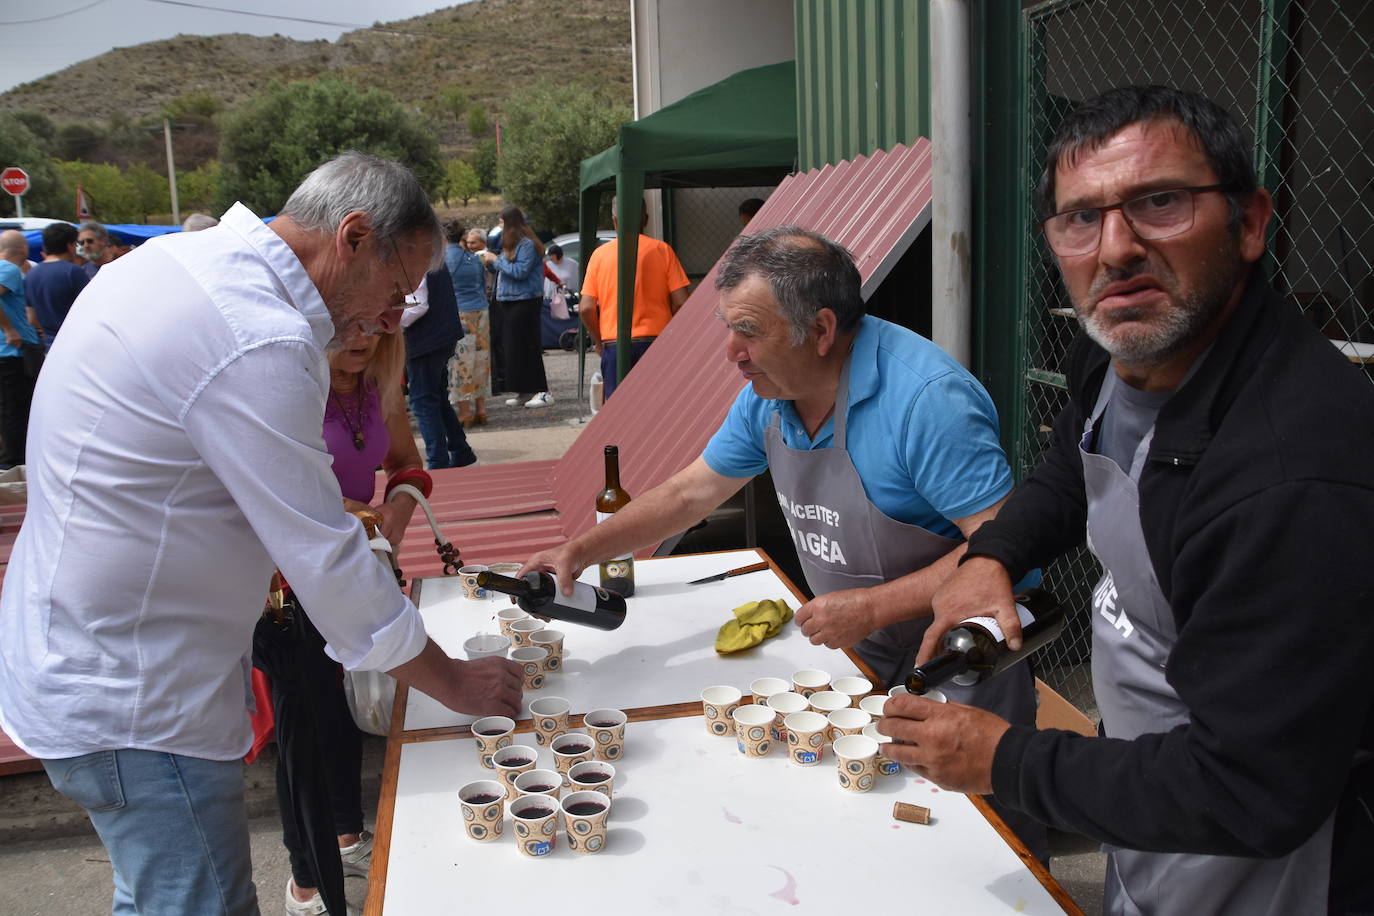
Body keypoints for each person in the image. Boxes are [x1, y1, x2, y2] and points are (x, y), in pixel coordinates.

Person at [885, 86, 1374, 914]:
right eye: (1081, 218)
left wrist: (1006, 762)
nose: (1115, 248)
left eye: (1160, 203)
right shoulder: (1120, 349)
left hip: (1275, 861)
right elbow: (1071, 465)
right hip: (1148, 797)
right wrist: (991, 556)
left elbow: (1253, 788)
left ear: (1251, 223)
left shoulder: (1294, 477)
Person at [0, 151, 523, 915]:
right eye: (394, 289)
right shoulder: (259, 336)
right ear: (350, 236)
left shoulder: (178, 264)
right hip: (136, 697)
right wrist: (459, 683)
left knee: (152, 897)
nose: (390, 318)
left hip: (82, 664)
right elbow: (326, 561)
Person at [525, 226, 1045, 856]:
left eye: (749, 330)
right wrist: (581, 549)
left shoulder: (927, 402)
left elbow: (1003, 543)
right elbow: (694, 492)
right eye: (728, 327)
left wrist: (875, 606)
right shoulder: (769, 398)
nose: (731, 353)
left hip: (962, 660)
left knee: (981, 850)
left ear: (821, 331)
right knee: (873, 842)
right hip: (859, 657)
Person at [257, 321, 421, 915]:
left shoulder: (380, 385)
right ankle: (306, 887)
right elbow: (266, 486)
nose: (362, 341)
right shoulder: (286, 386)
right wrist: (345, 511)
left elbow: (408, 464)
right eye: (346, 328)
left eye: (378, 329)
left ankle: (346, 839)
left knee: (347, 711)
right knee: (306, 731)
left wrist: (396, 510)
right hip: (283, 587)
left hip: (348, 575)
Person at [578, 197, 690, 399]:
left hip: (615, 343)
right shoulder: (662, 250)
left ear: (614, 221)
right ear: (645, 219)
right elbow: (682, 302)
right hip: (658, 342)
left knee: (618, 412)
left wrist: (598, 341)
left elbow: (585, 308)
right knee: (658, 405)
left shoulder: (599, 256)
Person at [401, 263, 476, 469]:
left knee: (423, 401)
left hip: (426, 340)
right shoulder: (429, 253)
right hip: (439, 336)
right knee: (436, 397)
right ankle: (460, 451)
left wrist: (388, 320)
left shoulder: (415, 256)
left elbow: (418, 304)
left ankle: (439, 461)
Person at [481, 206, 552, 409]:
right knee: (513, 349)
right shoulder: (510, 245)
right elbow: (506, 268)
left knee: (528, 345)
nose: (499, 227)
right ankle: (524, 390)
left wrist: (498, 260)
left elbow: (520, 271)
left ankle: (542, 390)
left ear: (510, 224)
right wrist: (490, 263)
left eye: (502, 223)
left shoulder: (527, 245)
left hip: (525, 300)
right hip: (510, 300)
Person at [0, 231, 42, 468]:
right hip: (15, 350)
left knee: (10, 407)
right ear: (23, 249)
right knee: (17, 409)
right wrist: (10, 329)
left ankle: (11, 457)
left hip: (9, 350)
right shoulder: (9, 269)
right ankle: (13, 461)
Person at [448, 225, 491, 425]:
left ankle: (465, 412)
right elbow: (482, 285)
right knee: (481, 359)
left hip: (459, 312)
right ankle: (481, 409)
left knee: (461, 362)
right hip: (480, 310)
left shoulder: (443, 258)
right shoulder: (473, 258)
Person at [24, 222, 89, 350]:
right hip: (76, 345)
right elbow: (90, 310)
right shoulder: (74, 272)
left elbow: (32, 319)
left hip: (50, 348)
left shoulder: (30, 275)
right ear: (70, 246)